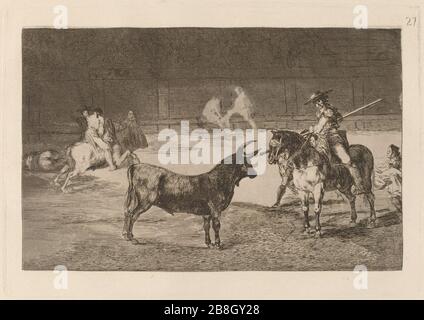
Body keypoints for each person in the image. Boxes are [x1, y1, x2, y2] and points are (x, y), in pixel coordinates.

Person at [304, 90, 365, 194]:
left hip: (333, 138)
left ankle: (359, 185)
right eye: (314, 102)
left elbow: (320, 126)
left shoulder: (328, 110)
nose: (316, 104)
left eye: (316, 101)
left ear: (321, 101)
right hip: (321, 138)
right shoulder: (320, 112)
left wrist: (314, 129)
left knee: (347, 160)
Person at [375, 144, 402, 213]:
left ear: (394, 153)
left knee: (395, 200)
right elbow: (382, 169)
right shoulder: (389, 162)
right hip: (392, 187)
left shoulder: (396, 162)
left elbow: (394, 171)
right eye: (387, 151)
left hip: (397, 187)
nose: (387, 153)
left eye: (389, 151)